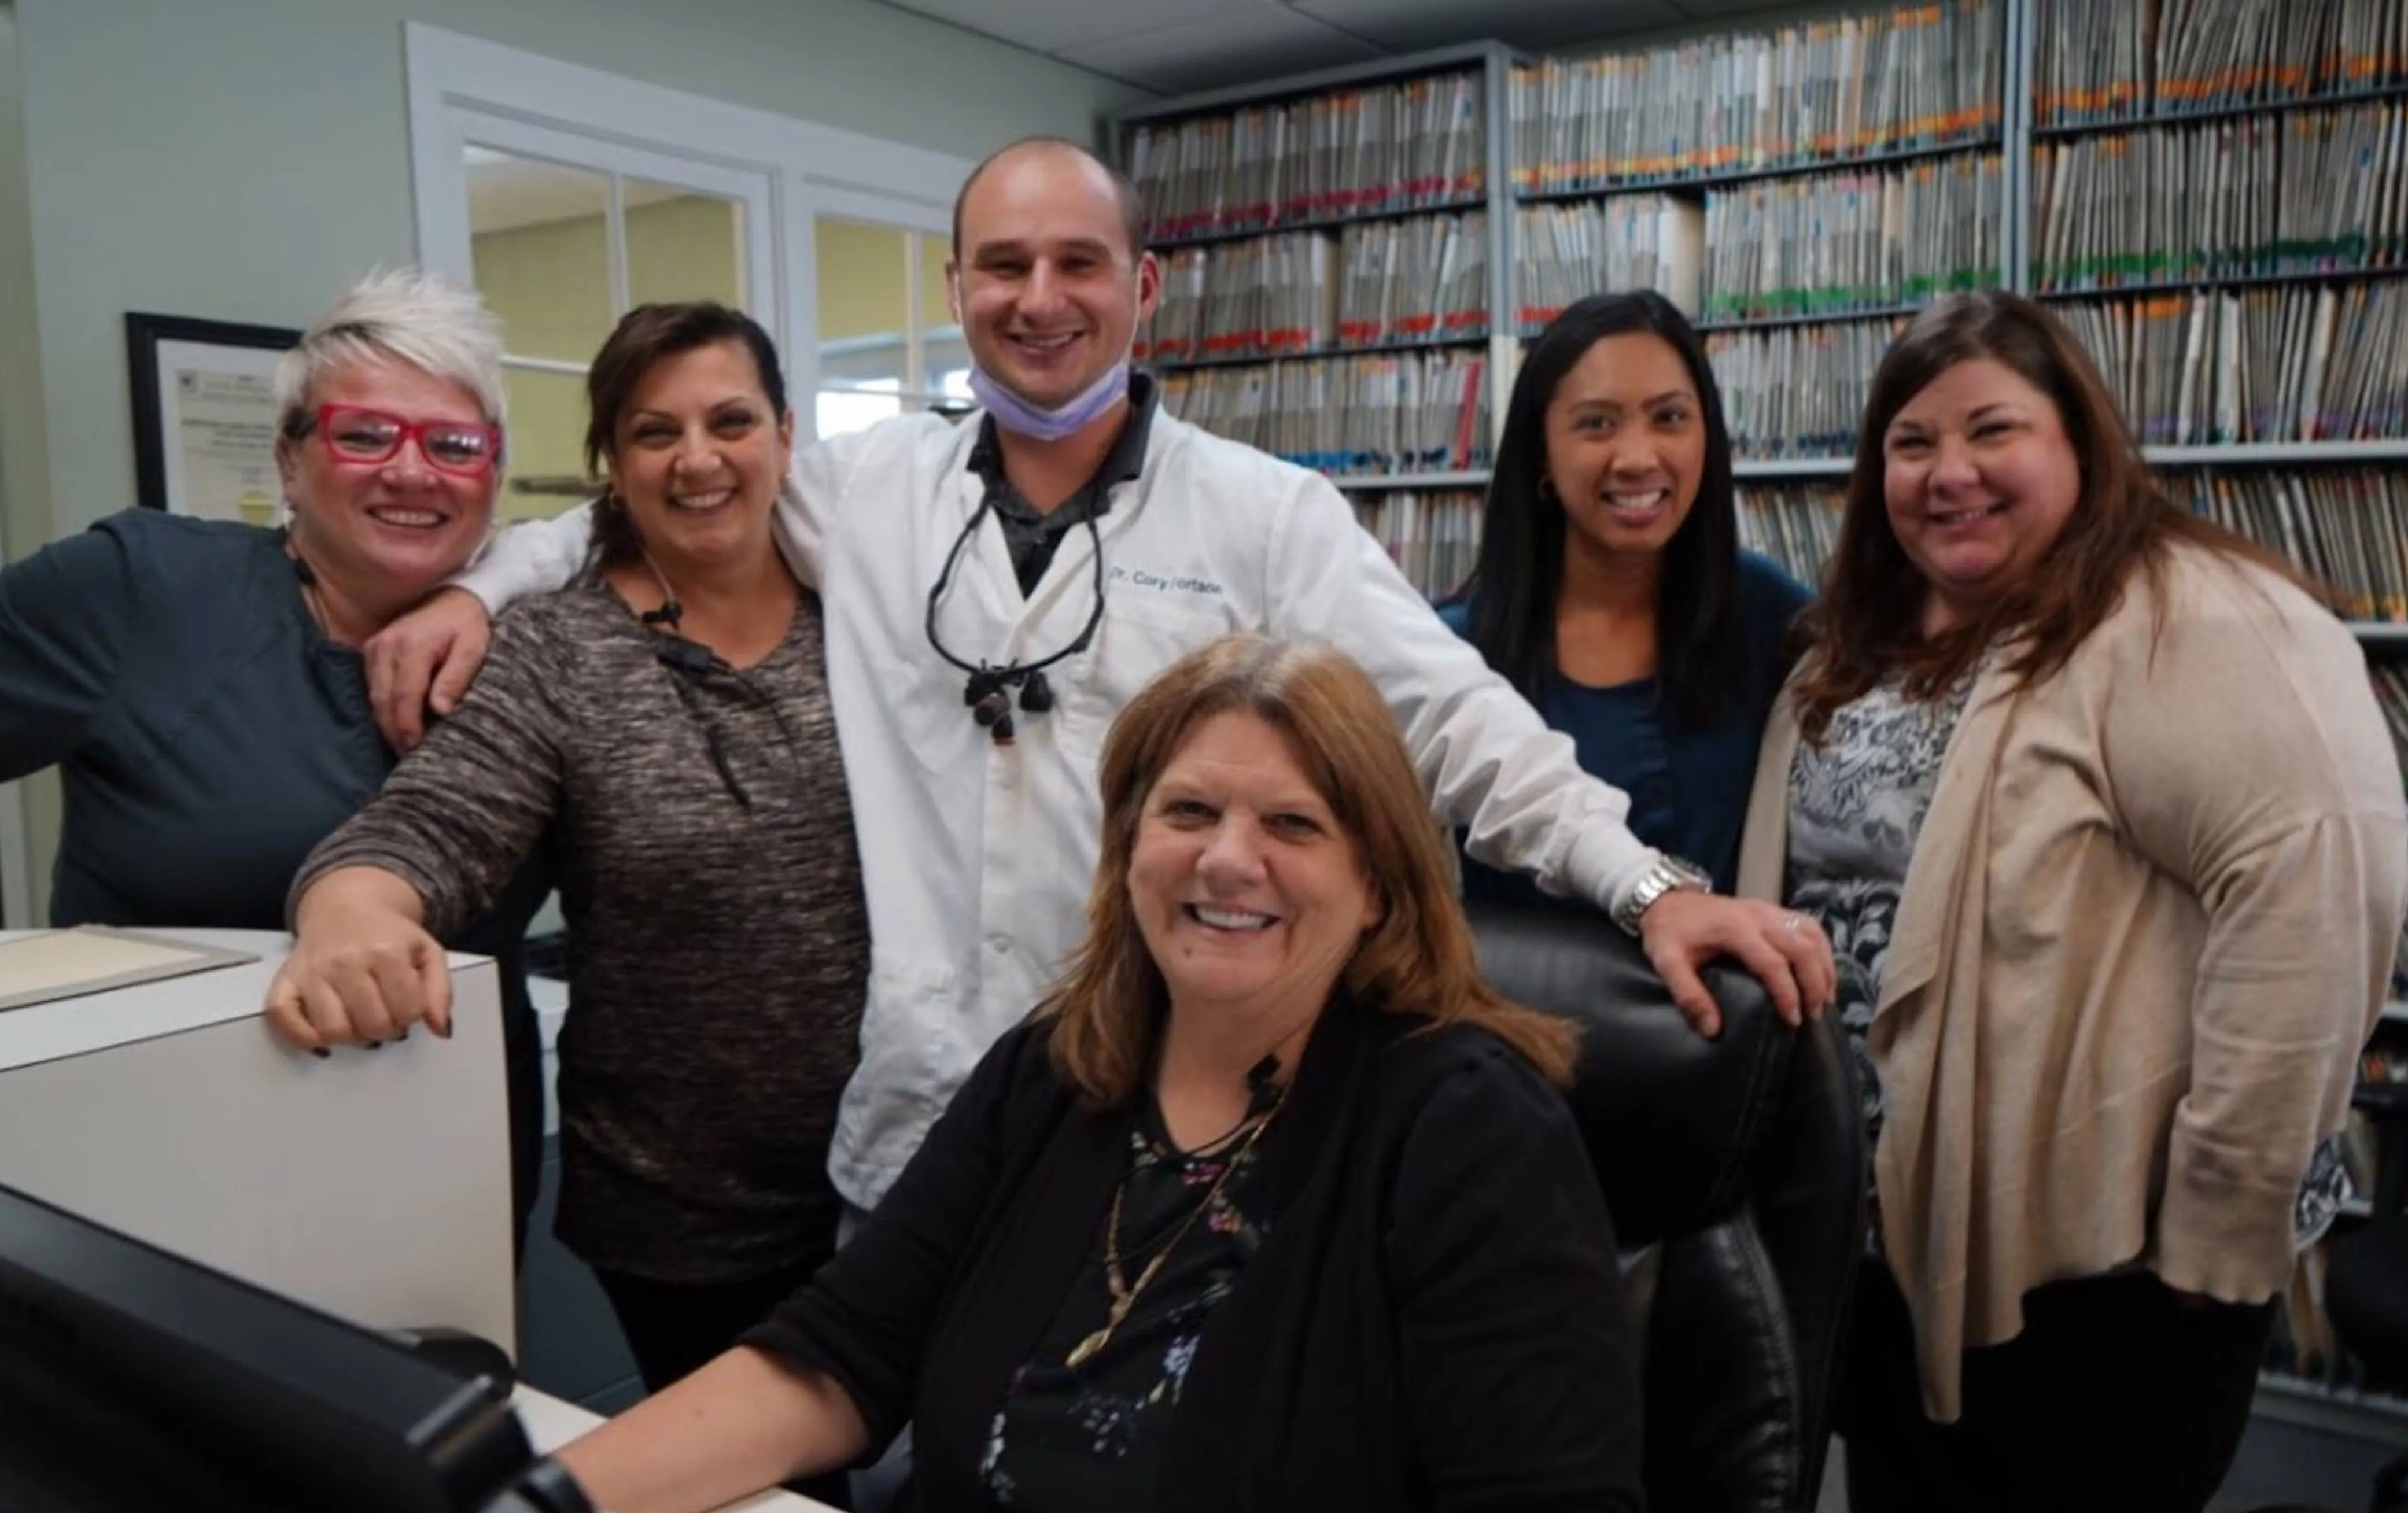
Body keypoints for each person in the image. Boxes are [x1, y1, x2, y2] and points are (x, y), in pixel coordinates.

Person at [360, 136, 1834, 1228]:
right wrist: (478, 593)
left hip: (1178, 1122)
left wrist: (1647, 888)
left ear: (1141, 286)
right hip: (917, 1128)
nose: (1038, 298)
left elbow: (1455, 721)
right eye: (1002, 266)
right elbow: (649, 497)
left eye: (1076, 264)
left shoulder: (1260, 514)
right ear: (958, 289)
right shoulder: (865, 491)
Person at [544, 633, 1646, 1513]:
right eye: (1188, 811)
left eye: (1292, 825)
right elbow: (838, 1356)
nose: (1225, 858)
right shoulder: (1059, 1065)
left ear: (1377, 887)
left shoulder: (1466, 1128)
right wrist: (545, 1496)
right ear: (1127, 852)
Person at [1732, 290, 2408, 1513]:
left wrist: (2221, 1220)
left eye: (1991, 431)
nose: (1949, 475)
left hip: (2102, 1274)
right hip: (1873, 1245)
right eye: (1910, 442)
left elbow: (2313, 887)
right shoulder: (1850, 637)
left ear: (2077, 442)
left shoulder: (2185, 617)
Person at [264, 304, 868, 1504]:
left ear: (787, 439)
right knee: (776, 1494)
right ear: (612, 464)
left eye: (729, 421)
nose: (697, 459)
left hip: (909, 1163)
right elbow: (425, 826)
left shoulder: (878, 616)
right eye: (654, 432)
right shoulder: (553, 651)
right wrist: (350, 912)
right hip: (690, 1211)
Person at [0, 269, 551, 1247]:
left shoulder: (536, 643)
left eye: (452, 445)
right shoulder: (143, 591)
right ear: (289, 462)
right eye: (364, 434)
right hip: (157, 1153)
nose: (411, 472)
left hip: (446, 1160)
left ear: (495, 476)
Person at [1442, 290, 1810, 902]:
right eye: (1596, 424)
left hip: (1723, 996)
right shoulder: (1454, 654)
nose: (1637, 458)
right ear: (1540, 450)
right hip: (1518, 996)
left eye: (1668, 418)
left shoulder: (1766, 612)